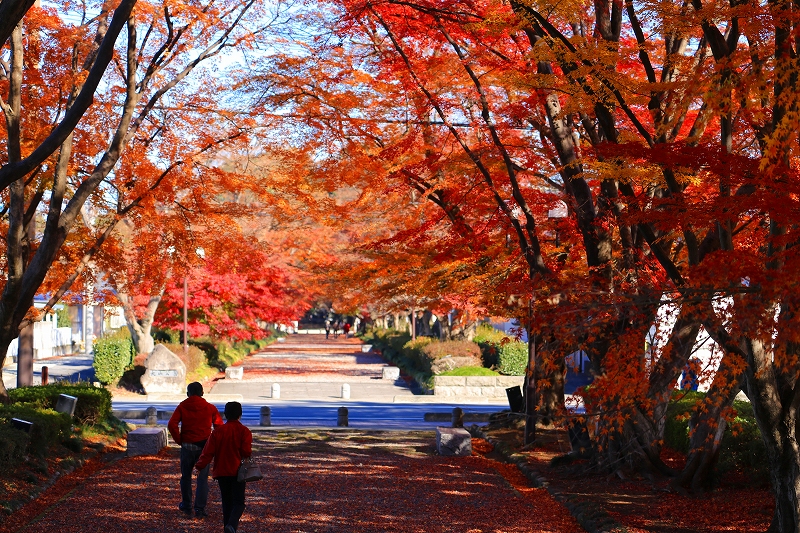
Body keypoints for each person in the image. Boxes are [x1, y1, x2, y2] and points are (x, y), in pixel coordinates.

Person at [168, 382, 224, 519]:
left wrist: (179, 440)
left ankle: (186, 505)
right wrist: (214, 444)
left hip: (187, 446)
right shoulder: (210, 407)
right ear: (202, 393)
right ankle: (200, 508)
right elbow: (219, 427)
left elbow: (172, 424)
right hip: (204, 447)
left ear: (188, 393)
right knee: (202, 479)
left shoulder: (182, 406)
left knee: (186, 477)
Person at [195, 401, 253, 533]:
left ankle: (228, 527)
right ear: (240, 414)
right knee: (239, 502)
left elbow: (208, 452)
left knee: (227, 502)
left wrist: (199, 466)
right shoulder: (244, 431)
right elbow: (246, 452)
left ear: (225, 414)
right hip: (238, 471)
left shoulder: (217, 432)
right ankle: (232, 525)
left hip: (221, 471)